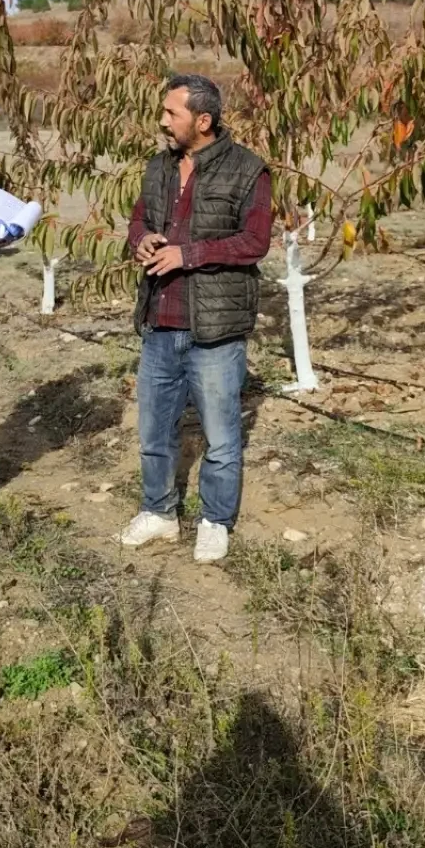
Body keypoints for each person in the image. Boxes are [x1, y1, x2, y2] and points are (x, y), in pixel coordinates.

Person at [121, 74, 272, 563]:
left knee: (221, 435)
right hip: (161, 319)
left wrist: (190, 254)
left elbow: (254, 242)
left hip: (215, 329)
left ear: (203, 121)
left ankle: (215, 520)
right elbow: (139, 218)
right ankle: (159, 512)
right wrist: (140, 239)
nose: (162, 121)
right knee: (153, 431)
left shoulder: (248, 169)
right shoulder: (158, 168)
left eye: (172, 113)